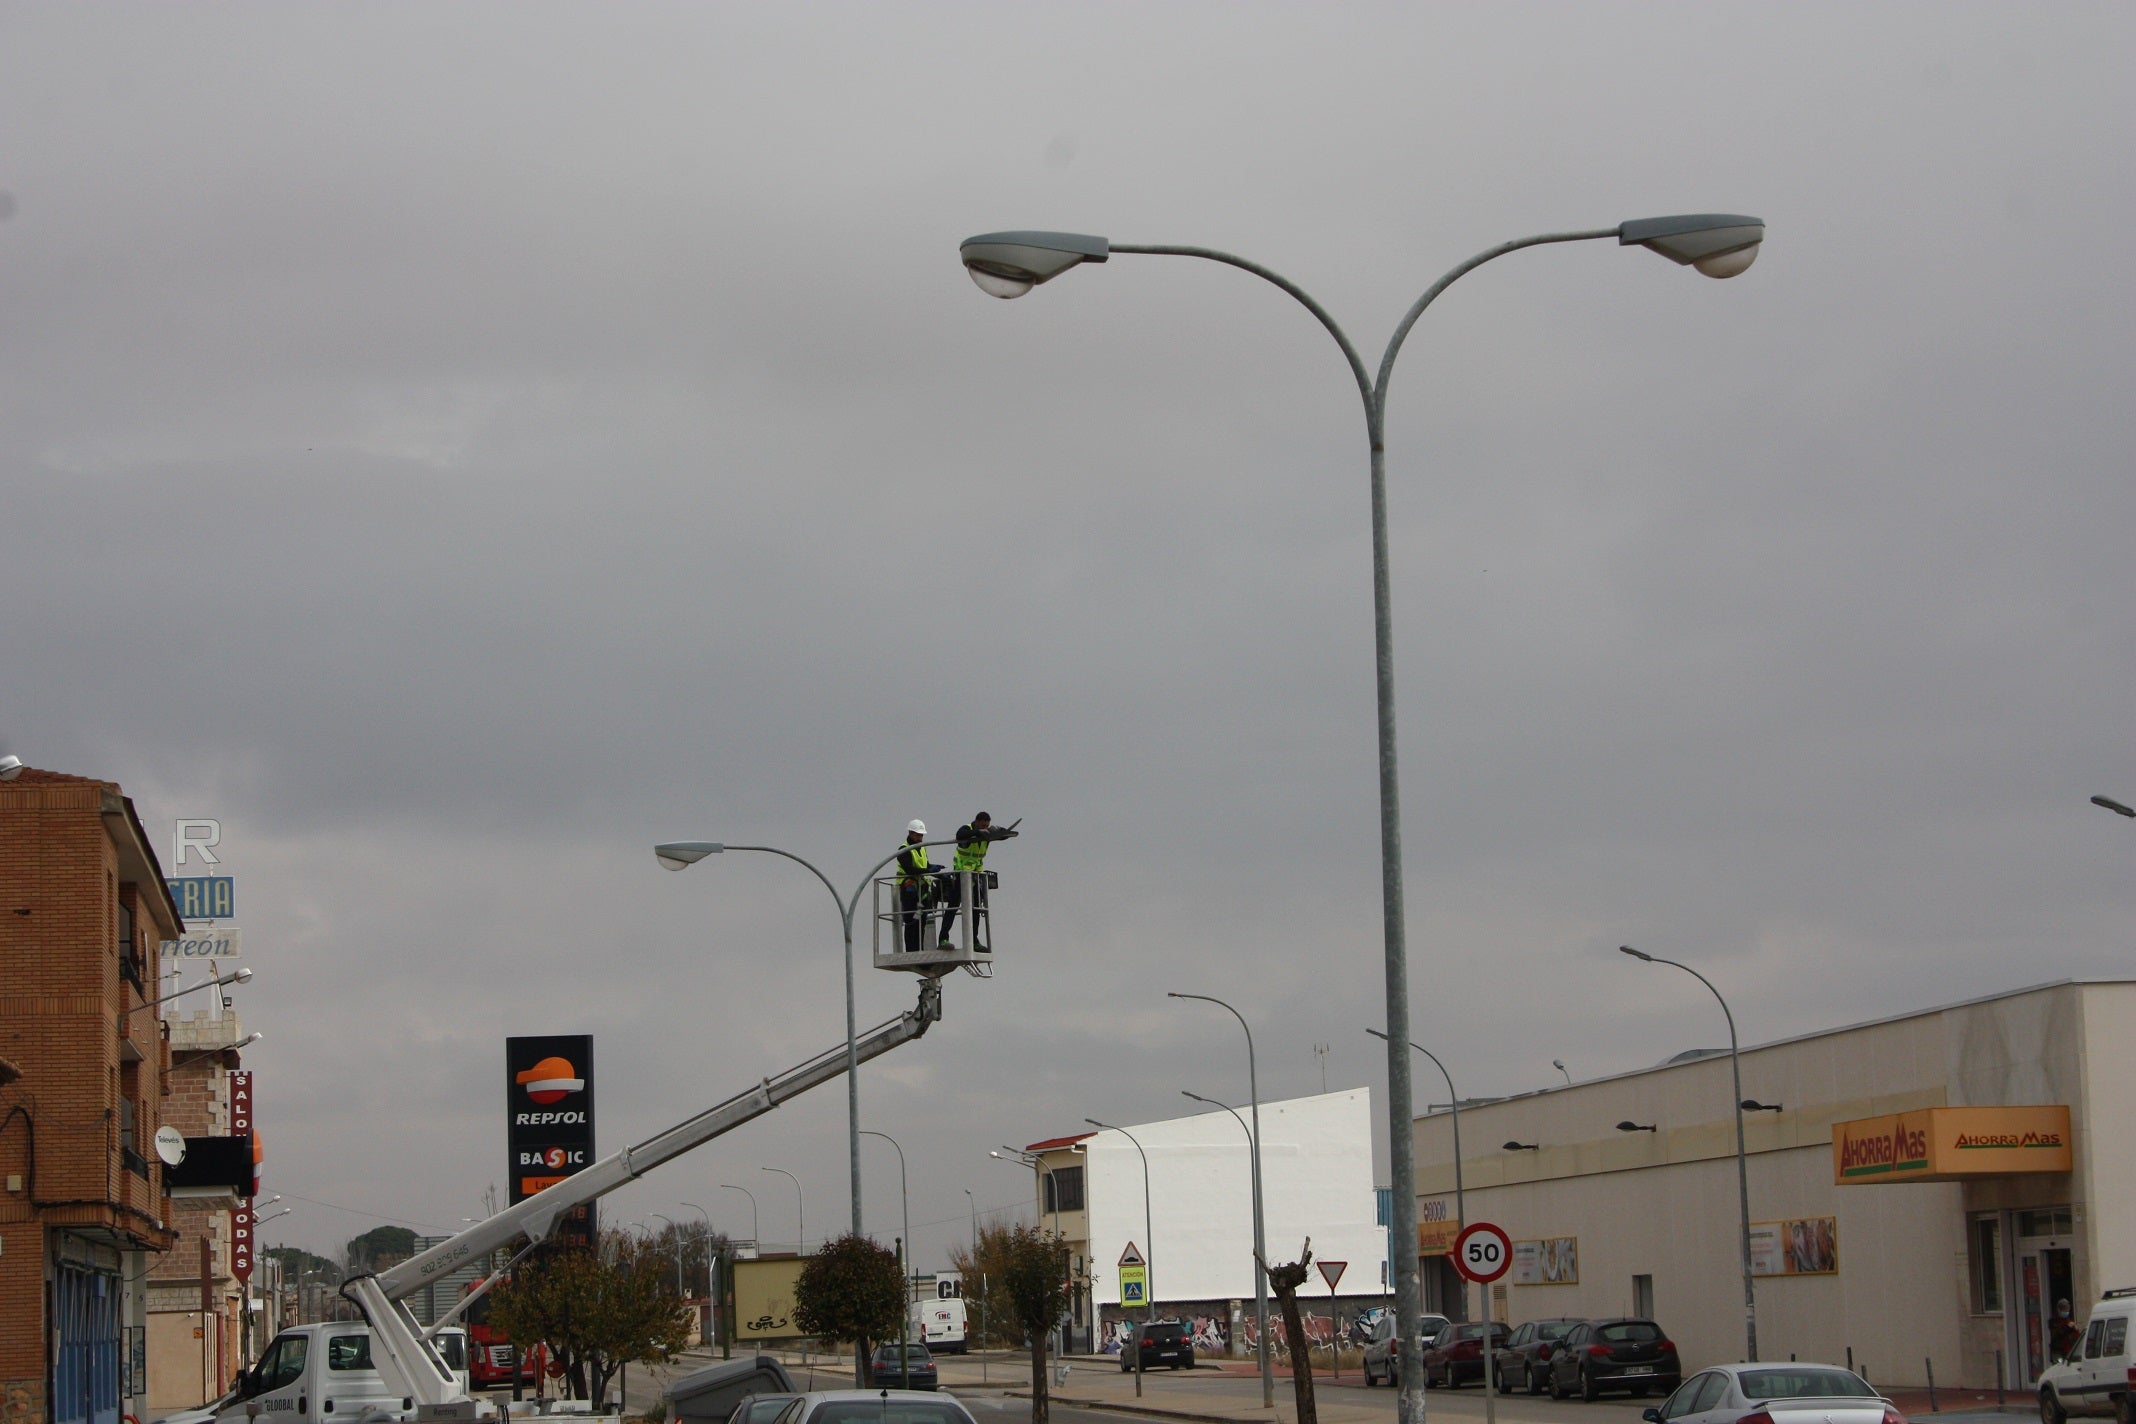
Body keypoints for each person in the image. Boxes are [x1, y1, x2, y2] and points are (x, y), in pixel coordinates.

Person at [938, 811, 1017, 949]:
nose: (985, 828)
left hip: (975, 875)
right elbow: (960, 835)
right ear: (977, 821)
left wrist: (1001, 832)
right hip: (961, 874)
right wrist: (979, 833)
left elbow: (1001, 836)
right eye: (983, 825)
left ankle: (974, 941)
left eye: (987, 826)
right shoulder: (967, 829)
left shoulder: (986, 834)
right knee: (953, 906)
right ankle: (943, 939)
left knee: (975, 909)